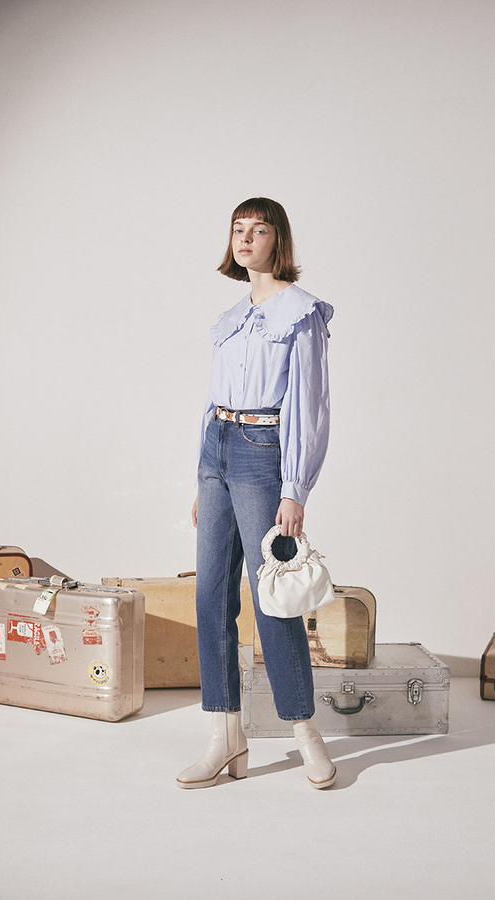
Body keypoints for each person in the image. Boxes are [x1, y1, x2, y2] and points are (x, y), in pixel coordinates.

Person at [176, 197, 336, 790]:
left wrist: (295, 487)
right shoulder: (230, 317)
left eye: (258, 229)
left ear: (278, 240)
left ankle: (304, 731)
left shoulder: (302, 313)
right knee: (211, 596)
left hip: (263, 451)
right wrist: (204, 477)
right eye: (237, 229)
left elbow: (310, 406)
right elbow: (212, 399)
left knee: (274, 596)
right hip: (216, 450)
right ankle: (225, 735)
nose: (245, 239)